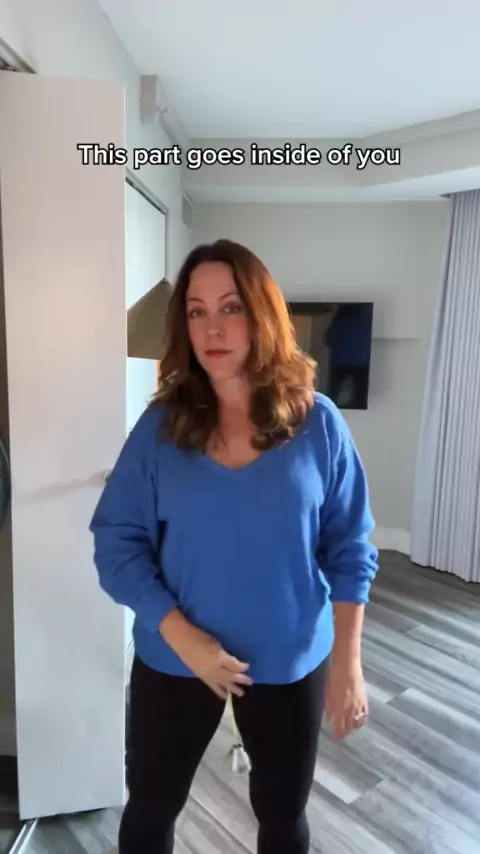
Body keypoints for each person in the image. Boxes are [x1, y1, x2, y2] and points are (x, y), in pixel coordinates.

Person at [90, 238, 379, 854]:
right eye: (196, 311)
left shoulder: (319, 424)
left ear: (262, 314)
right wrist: (179, 634)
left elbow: (350, 547)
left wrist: (348, 664)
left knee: (282, 817)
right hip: (177, 657)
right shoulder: (160, 429)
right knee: (150, 810)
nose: (212, 328)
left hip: (289, 659)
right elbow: (116, 542)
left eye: (231, 307)